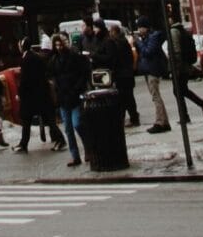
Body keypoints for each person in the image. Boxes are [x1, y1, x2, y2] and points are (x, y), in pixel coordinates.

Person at [49, 33, 90, 168]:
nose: (59, 47)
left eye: (60, 44)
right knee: (68, 128)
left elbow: (83, 73)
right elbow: (54, 78)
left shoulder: (73, 57)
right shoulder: (55, 60)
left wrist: (77, 89)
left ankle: (87, 149)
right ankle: (75, 156)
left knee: (77, 124)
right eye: (56, 45)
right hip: (64, 97)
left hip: (72, 96)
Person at [15, 37, 57, 152]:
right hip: (40, 93)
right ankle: (23, 143)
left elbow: (25, 79)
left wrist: (20, 92)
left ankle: (24, 144)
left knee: (28, 119)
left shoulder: (26, 59)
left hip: (32, 95)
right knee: (44, 117)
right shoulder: (36, 57)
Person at [98, 22, 138, 128]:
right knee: (128, 98)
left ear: (114, 32)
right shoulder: (124, 41)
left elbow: (115, 59)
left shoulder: (117, 42)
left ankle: (129, 118)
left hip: (122, 75)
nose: (110, 34)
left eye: (111, 32)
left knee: (124, 98)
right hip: (127, 74)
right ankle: (132, 117)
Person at [168, 27, 203, 123]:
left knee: (178, 91)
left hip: (180, 67)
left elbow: (176, 51)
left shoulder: (173, 31)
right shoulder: (181, 30)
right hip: (185, 66)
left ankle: (199, 106)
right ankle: (186, 116)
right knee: (181, 90)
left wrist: (175, 69)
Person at [138, 26, 172, 132]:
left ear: (145, 27)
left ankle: (160, 122)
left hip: (153, 70)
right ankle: (164, 121)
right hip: (150, 69)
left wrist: (139, 42)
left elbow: (147, 52)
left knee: (156, 96)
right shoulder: (148, 37)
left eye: (140, 27)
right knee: (155, 96)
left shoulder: (153, 37)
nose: (139, 30)